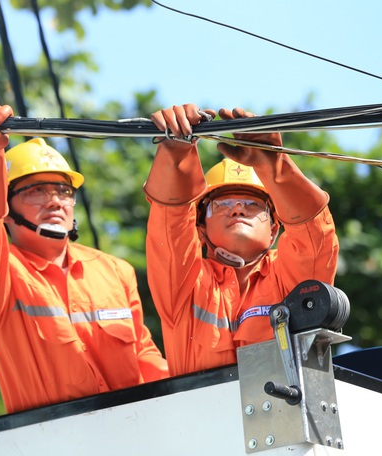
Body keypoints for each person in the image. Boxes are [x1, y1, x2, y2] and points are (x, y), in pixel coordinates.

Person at [0, 102, 169, 413]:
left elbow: (145, 356)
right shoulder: (0, 273)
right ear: (5, 209)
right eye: (36, 191)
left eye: (63, 191)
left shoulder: (114, 270)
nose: (55, 201)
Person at [144, 104, 339, 376]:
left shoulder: (290, 278)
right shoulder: (185, 283)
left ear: (274, 230)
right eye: (222, 204)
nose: (238, 209)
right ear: (200, 229)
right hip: (199, 417)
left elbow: (314, 235)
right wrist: (175, 155)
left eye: (252, 203)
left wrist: (275, 166)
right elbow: (170, 224)